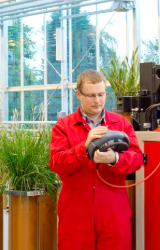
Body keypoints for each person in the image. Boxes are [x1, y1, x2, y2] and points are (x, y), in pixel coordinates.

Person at [49, 70, 143, 249]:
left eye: (101, 94)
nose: (97, 100)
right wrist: (84, 147)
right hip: (76, 210)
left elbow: (137, 158)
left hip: (113, 210)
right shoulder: (64, 126)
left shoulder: (121, 123)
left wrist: (115, 158)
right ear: (78, 94)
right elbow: (56, 163)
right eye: (91, 95)